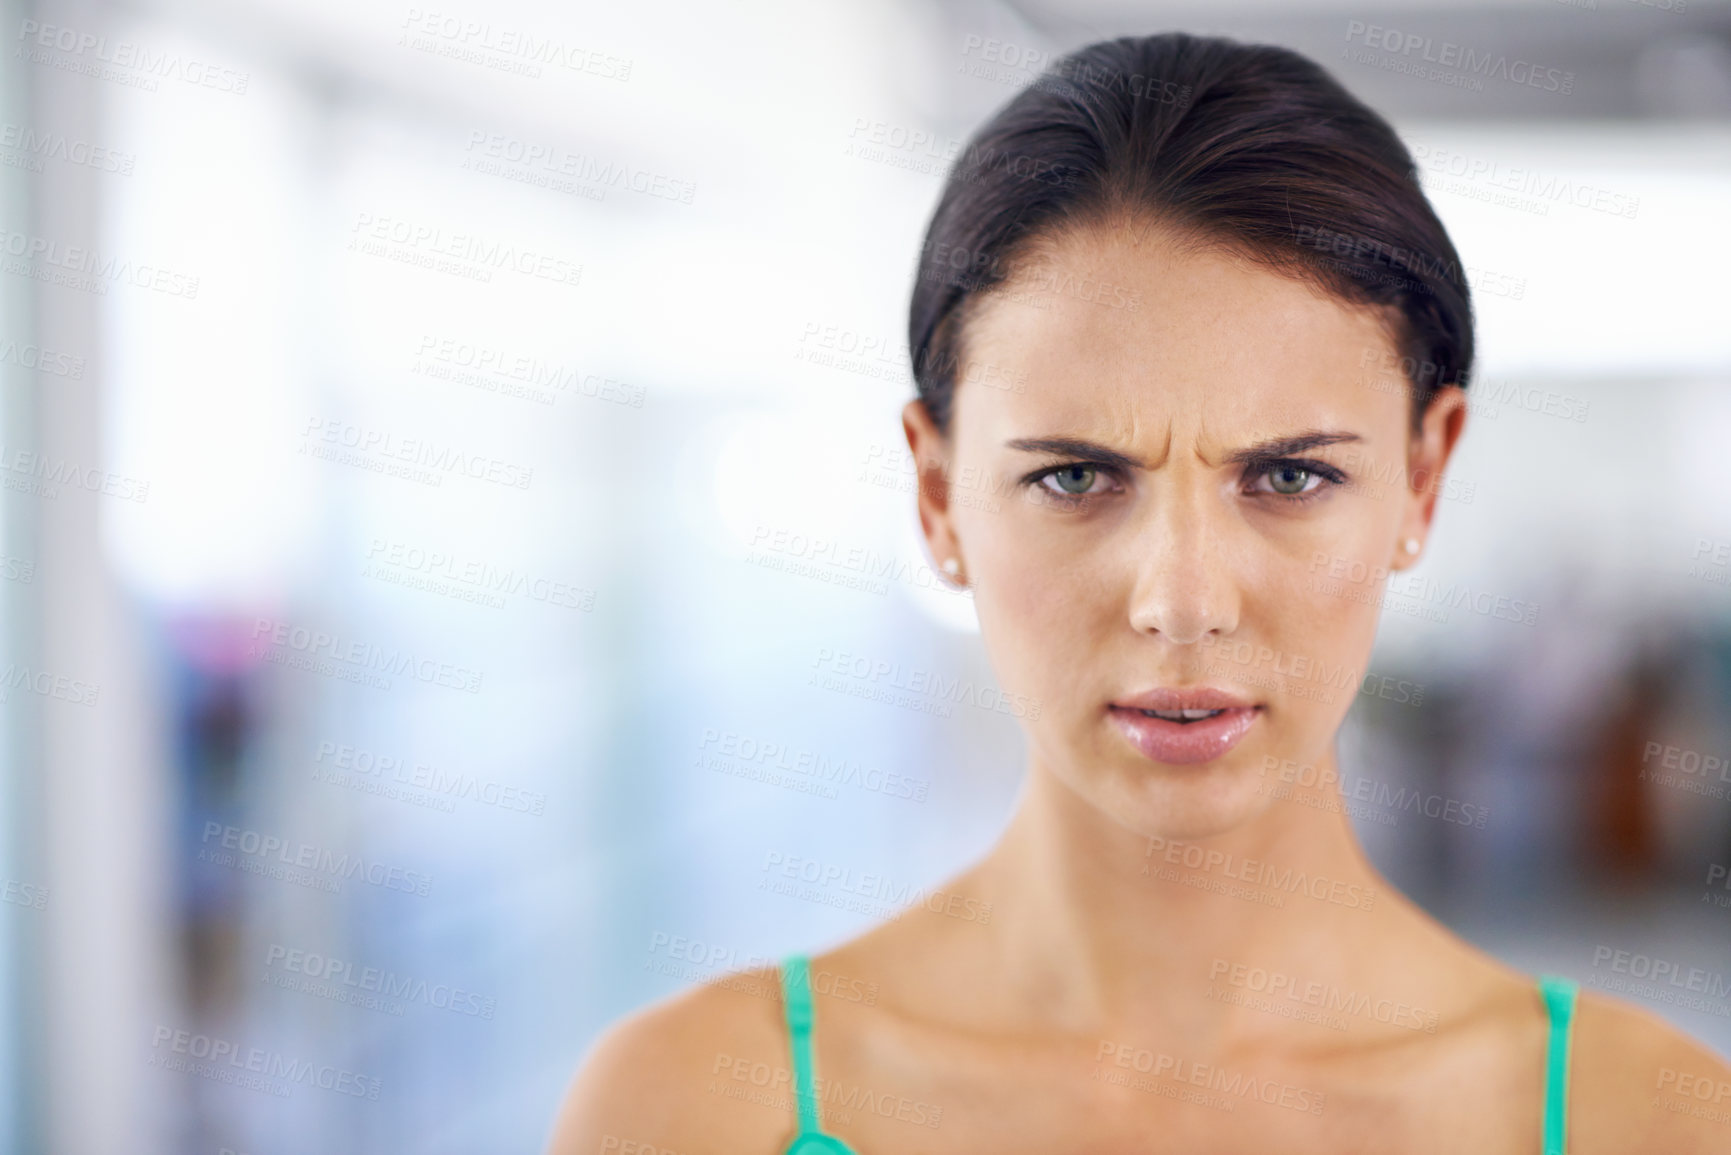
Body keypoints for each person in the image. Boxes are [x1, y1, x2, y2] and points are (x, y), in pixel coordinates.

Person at [548, 32, 1731, 1153]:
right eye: (1075, 476)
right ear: (936, 494)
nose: (1180, 602)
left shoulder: (1658, 1123)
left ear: (1421, 479)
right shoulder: (695, 1110)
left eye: (1288, 474)